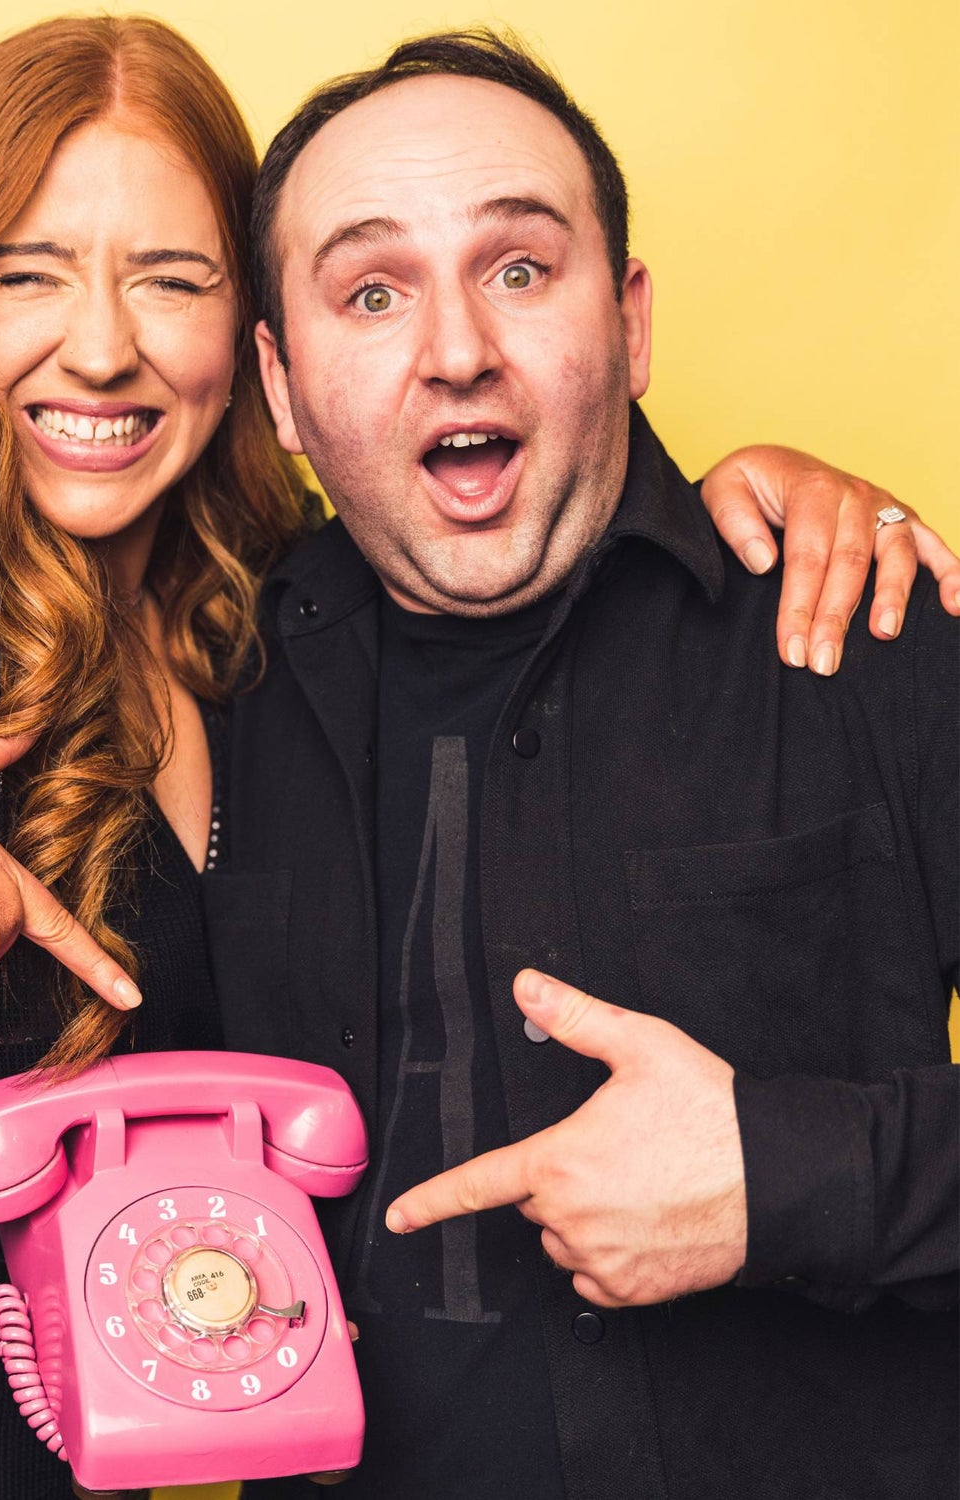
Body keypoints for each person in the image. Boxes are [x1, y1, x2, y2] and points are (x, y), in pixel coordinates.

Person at [0, 14, 945, 1500]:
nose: (101, 346)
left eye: (167, 280)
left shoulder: (269, 631)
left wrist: (794, 1178)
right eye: (25, 274)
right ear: (291, 378)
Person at [207, 29, 959, 1500]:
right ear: (283, 392)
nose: (457, 350)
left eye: (521, 269)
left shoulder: (863, 628)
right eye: (372, 291)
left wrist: (788, 1181)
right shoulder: (200, 706)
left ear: (630, 323)